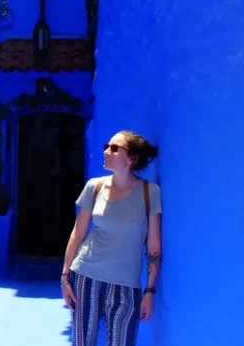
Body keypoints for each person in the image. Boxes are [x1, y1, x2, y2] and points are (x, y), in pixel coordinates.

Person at [61, 130, 162, 346]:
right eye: (106, 146)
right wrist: (65, 276)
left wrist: (150, 290)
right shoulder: (94, 187)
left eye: (115, 148)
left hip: (126, 287)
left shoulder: (149, 192)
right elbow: (78, 234)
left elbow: (153, 245)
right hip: (86, 278)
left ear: (132, 158)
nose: (107, 151)